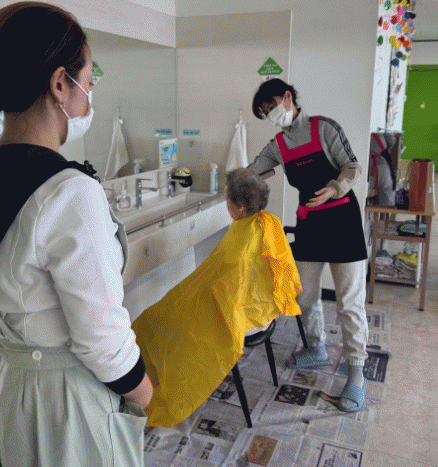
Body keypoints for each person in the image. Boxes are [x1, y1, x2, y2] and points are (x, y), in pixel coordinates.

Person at [0, 1, 152, 467]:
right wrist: (145, 393)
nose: (89, 97)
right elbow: (102, 339)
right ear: (59, 84)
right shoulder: (69, 193)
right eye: (89, 82)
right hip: (61, 401)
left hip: (1, 382)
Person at [132, 169, 302, 428]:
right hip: (259, 303)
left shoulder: (242, 249)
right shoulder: (266, 221)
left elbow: (230, 296)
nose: (225, 202)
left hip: (239, 311)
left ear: (240, 208)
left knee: (157, 321)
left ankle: (152, 388)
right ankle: (147, 378)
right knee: (160, 313)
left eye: (227, 198)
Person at [247, 78, 369, 413]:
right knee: (305, 295)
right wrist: (233, 183)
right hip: (310, 224)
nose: (271, 114)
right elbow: (254, 169)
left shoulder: (324, 128)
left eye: (272, 106)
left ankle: (357, 372)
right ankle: (317, 349)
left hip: (343, 221)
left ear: (288, 97)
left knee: (349, 301)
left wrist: (334, 188)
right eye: (265, 112)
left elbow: (352, 166)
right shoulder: (278, 144)